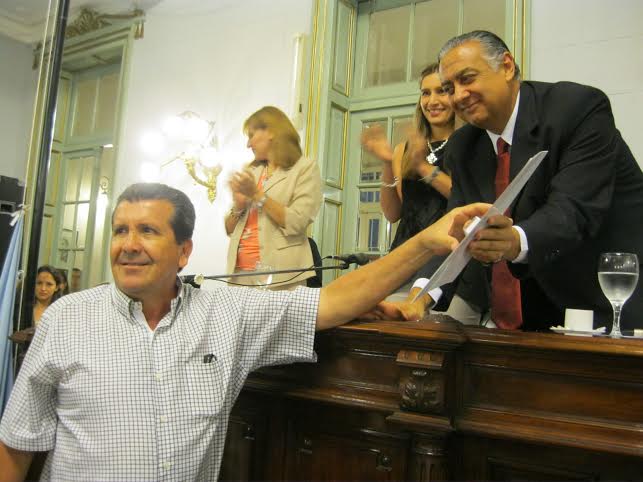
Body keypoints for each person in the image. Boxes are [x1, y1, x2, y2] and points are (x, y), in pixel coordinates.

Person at [0, 182, 491, 481]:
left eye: (147, 231)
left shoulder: (226, 312)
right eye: (120, 230)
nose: (128, 245)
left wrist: (425, 243)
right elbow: (18, 442)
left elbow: (334, 301)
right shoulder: (67, 318)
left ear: (184, 252)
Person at [376, 30, 643, 332]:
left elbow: (571, 211)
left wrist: (514, 240)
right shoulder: (464, 146)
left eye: (467, 78)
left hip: (615, 303)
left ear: (506, 66)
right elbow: (455, 232)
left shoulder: (576, 109)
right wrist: (418, 300)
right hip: (535, 318)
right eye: (450, 88)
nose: (458, 95)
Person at [225, 106, 322, 290]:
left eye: (251, 135)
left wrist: (257, 195)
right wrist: (238, 206)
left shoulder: (304, 168)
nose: (248, 144)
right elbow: (229, 229)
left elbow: (297, 222)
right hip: (238, 276)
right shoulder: (252, 172)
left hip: (281, 277)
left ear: (271, 131)